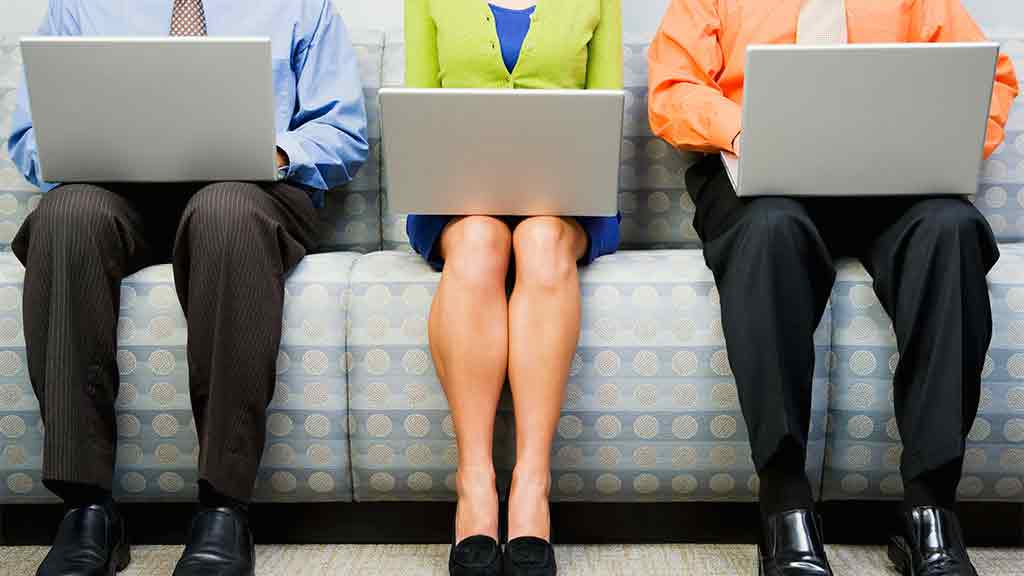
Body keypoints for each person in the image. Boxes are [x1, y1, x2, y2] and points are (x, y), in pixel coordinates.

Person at [647, 1, 1018, 575]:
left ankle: (930, 508)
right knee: (770, 232)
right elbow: (672, 90)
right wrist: (747, 130)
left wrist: (940, 136)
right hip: (761, 181)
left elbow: (990, 80)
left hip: (890, 180)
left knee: (954, 230)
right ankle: (784, 502)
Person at [8, 0, 368, 574]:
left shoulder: (302, 5)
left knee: (224, 209)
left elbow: (343, 132)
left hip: (252, 192)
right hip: (119, 192)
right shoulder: (80, 6)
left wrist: (275, 152)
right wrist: (84, 152)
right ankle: (87, 509)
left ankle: (223, 508)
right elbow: (30, 138)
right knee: (65, 217)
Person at [404, 0, 622, 573]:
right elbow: (417, 114)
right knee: (479, 243)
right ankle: (474, 482)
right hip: (456, 202)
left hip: (567, 203)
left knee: (541, 242)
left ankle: (531, 485)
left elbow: (608, 115)